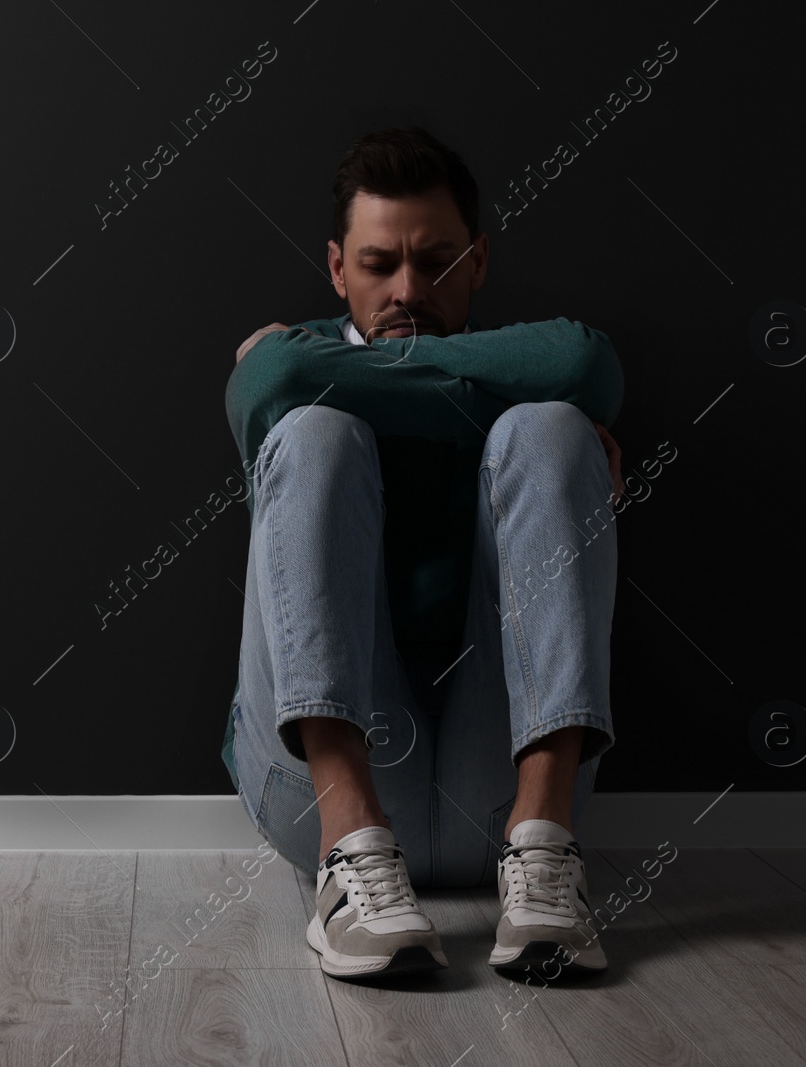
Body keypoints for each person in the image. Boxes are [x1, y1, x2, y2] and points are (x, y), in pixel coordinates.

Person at [221, 126, 626, 982]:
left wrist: (323, 366)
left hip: (502, 781)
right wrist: (503, 386)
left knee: (549, 431)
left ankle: (548, 856)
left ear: (477, 262)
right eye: (378, 265)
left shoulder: (313, 356)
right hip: (314, 782)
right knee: (314, 431)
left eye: (437, 261)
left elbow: (588, 362)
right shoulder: (502, 367)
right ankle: (349, 855)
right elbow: (274, 389)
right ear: (337, 269)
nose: (408, 289)